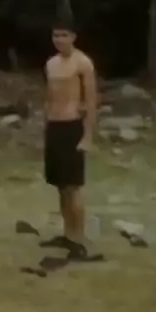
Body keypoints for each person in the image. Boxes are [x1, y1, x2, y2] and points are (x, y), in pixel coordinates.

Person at [38, 19, 97, 258]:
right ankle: (67, 234)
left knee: (73, 187)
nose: (59, 40)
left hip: (72, 127)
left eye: (64, 35)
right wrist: (45, 124)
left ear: (73, 37)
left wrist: (88, 136)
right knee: (60, 186)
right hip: (54, 127)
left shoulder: (83, 62)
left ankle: (78, 240)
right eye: (55, 35)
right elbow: (49, 96)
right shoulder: (51, 64)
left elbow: (91, 101)